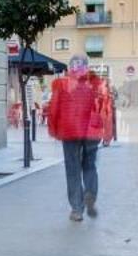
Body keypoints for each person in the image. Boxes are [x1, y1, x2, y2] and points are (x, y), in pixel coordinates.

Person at [45, 56, 115, 222]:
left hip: (69, 131)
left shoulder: (61, 84)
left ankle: (77, 209)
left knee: (72, 169)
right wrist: (108, 134)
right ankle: (90, 196)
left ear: (70, 67)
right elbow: (106, 109)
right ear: (87, 67)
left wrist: (53, 130)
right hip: (92, 132)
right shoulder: (98, 83)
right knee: (89, 166)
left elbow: (54, 108)